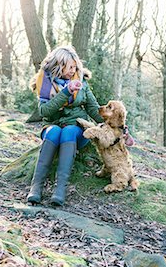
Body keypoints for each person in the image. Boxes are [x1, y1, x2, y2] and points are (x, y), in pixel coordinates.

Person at [26, 45, 133, 206]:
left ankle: (60, 189)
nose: (73, 70)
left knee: (68, 131)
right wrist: (66, 92)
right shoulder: (45, 82)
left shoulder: (80, 80)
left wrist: (119, 126)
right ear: (58, 66)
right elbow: (44, 112)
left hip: (76, 128)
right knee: (54, 132)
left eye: (75, 66)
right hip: (53, 125)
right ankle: (36, 187)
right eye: (69, 67)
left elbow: (93, 108)